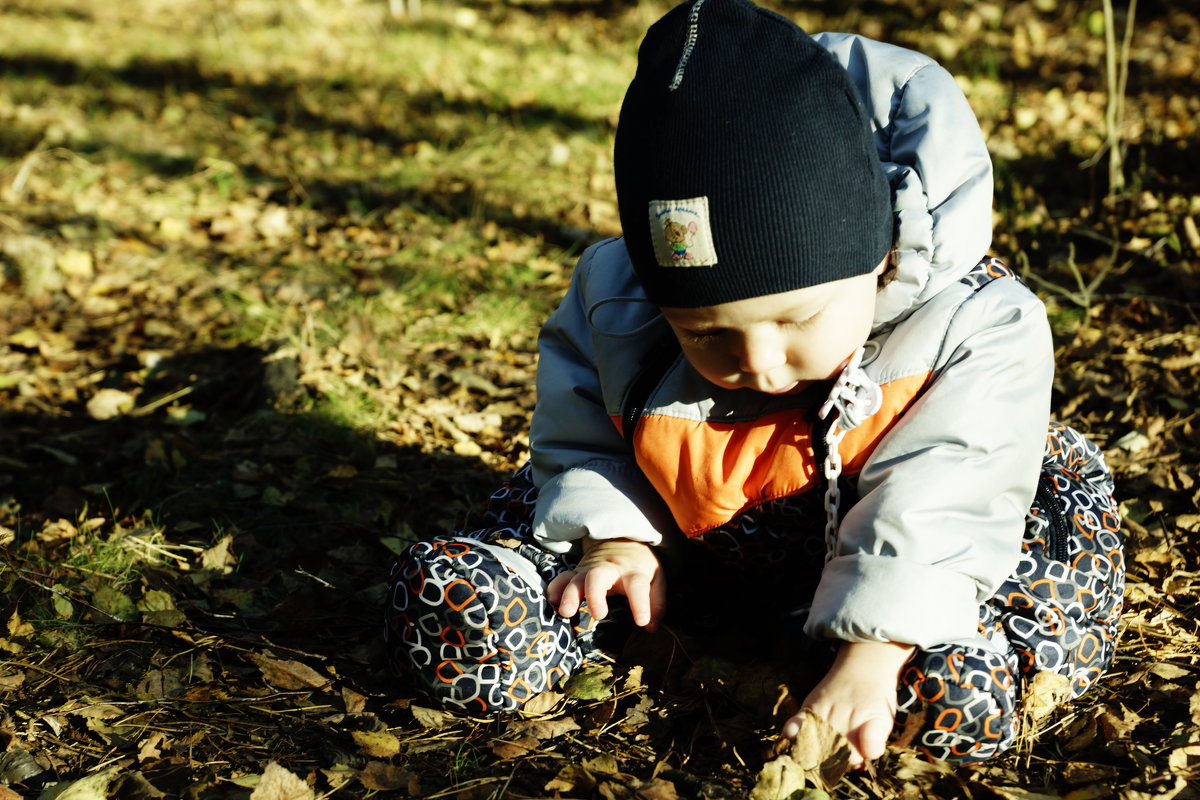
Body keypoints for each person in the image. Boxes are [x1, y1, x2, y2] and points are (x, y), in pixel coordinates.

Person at [386, 0, 1124, 766]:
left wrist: (875, 649)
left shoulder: (975, 326)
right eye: (704, 332)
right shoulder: (621, 303)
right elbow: (583, 435)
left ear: (880, 258)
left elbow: (949, 490)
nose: (762, 363)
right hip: (707, 532)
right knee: (543, 512)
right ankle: (523, 610)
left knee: (1048, 545)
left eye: (797, 320)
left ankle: (932, 661)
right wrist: (613, 537)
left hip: (926, 528)